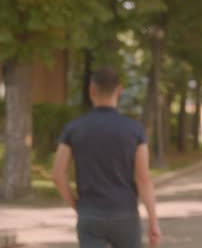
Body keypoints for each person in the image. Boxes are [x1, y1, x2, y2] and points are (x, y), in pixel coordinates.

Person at [52, 68, 161, 247]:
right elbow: (143, 179)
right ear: (119, 90)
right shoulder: (135, 130)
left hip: (90, 214)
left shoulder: (73, 128)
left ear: (91, 90)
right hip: (125, 215)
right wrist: (153, 222)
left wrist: (78, 206)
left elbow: (57, 175)